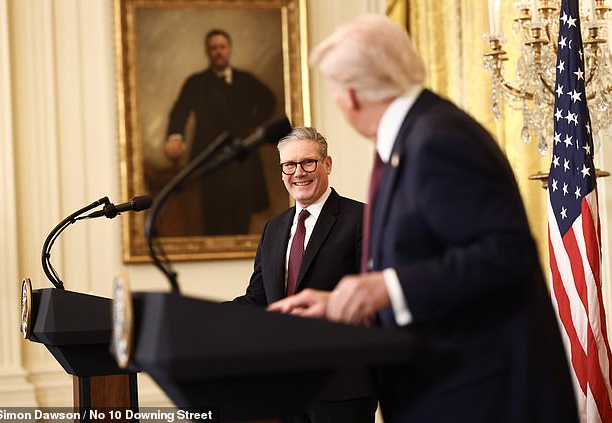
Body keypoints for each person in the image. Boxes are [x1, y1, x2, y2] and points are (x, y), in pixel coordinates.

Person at [268, 15, 579, 423]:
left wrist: (387, 287)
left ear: (352, 95)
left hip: (482, 397)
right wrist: (344, 304)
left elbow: (504, 256)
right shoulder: (413, 137)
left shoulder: (439, 139)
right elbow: (428, 267)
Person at [233, 127, 376, 423]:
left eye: (308, 162)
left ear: (327, 164)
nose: (299, 172)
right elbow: (258, 300)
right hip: (286, 387)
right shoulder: (273, 228)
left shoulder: (361, 219)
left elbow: (370, 300)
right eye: (289, 165)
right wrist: (208, 316)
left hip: (343, 386)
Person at [165, 28, 275, 235]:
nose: (218, 52)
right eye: (214, 48)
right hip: (210, 162)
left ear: (229, 49)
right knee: (214, 217)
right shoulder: (195, 83)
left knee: (241, 216)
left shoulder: (245, 80)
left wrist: (255, 126)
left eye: (222, 47)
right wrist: (175, 136)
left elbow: (269, 100)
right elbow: (180, 112)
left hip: (242, 159)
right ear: (208, 52)